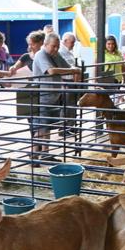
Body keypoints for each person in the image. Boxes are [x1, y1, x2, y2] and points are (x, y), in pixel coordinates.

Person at [32, 32, 81, 163]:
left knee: (46, 127)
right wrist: (73, 71)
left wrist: (74, 70)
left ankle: (44, 154)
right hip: (42, 97)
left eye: (57, 46)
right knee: (42, 127)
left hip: (53, 96)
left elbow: (67, 66)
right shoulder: (41, 54)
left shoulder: (55, 54)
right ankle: (33, 154)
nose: (56, 49)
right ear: (45, 44)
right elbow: (51, 71)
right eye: (53, 46)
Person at [103, 35, 125, 103]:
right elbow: (96, 66)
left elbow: (123, 66)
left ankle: (119, 96)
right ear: (105, 44)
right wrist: (95, 80)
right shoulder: (102, 53)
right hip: (108, 79)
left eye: (113, 44)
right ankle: (120, 96)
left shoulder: (118, 53)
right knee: (111, 99)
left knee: (115, 100)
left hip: (118, 78)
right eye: (108, 44)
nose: (111, 46)